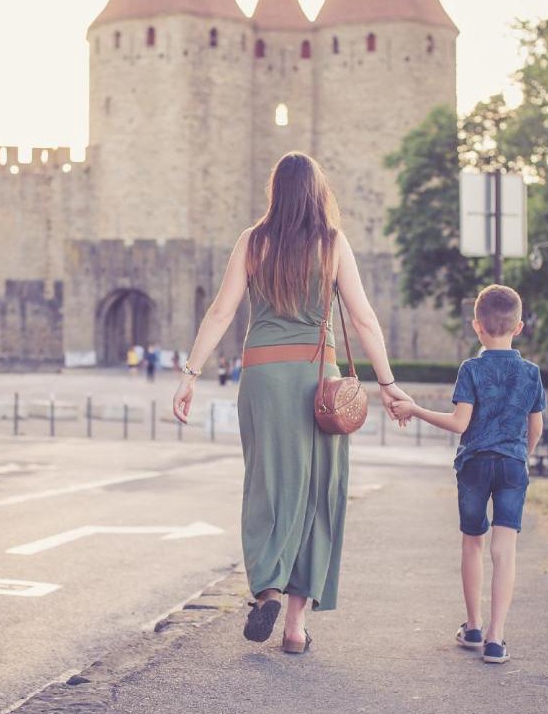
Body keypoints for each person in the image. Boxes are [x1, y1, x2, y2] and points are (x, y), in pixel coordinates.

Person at [173, 152, 411, 654]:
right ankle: (296, 626)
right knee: (318, 494)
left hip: (261, 378)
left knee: (267, 486)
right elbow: (364, 320)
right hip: (316, 382)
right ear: (318, 191)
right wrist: (387, 384)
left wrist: (190, 374)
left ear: (275, 192)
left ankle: (268, 588)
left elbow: (221, 312)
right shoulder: (331, 244)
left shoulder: (252, 241)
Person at [391, 284, 545, 665]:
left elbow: (460, 423)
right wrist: (522, 455)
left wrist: (415, 408)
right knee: (504, 549)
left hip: (474, 466)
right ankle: (496, 639)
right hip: (512, 465)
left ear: (477, 326)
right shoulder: (531, 373)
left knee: (473, 542)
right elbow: (536, 426)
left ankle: (473, 626)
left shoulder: (471, 369)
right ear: (519, 326)